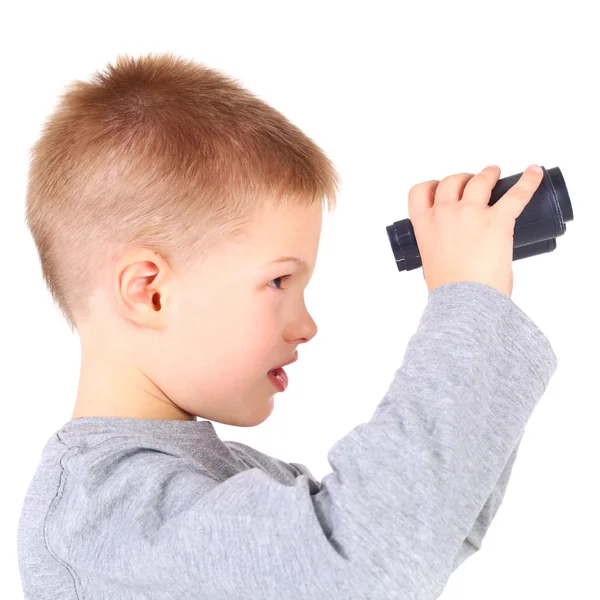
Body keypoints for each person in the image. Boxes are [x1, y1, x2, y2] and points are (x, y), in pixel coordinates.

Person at [17, 52, 557, 600]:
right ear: (151, 293)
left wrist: (482, 299)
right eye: (279, 282)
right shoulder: (101, 511)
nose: (306, 325)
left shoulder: (225, 475)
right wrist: (467, 302)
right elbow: (362, 563)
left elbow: (433, 530)